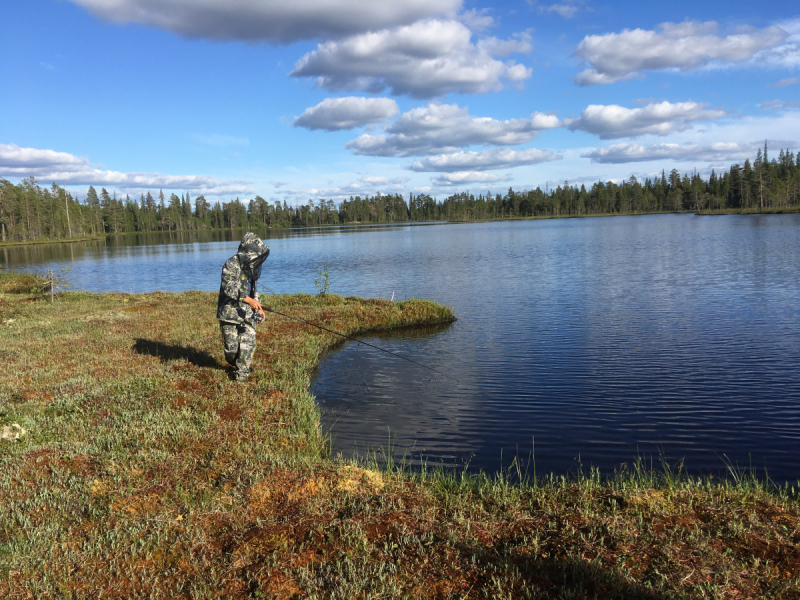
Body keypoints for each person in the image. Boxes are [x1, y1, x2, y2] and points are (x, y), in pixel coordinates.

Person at [217, 232, 270, 382]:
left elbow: (253, 291)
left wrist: (258, 307)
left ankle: (242, 375)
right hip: (229, 313)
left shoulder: (252, 267)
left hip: (247, 313)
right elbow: (228, 288)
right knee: (231, 351)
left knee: (248, 343)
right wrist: (248, 300)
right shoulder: (231, 264)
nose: (256, 260)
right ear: (247, 252)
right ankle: (236, 364)